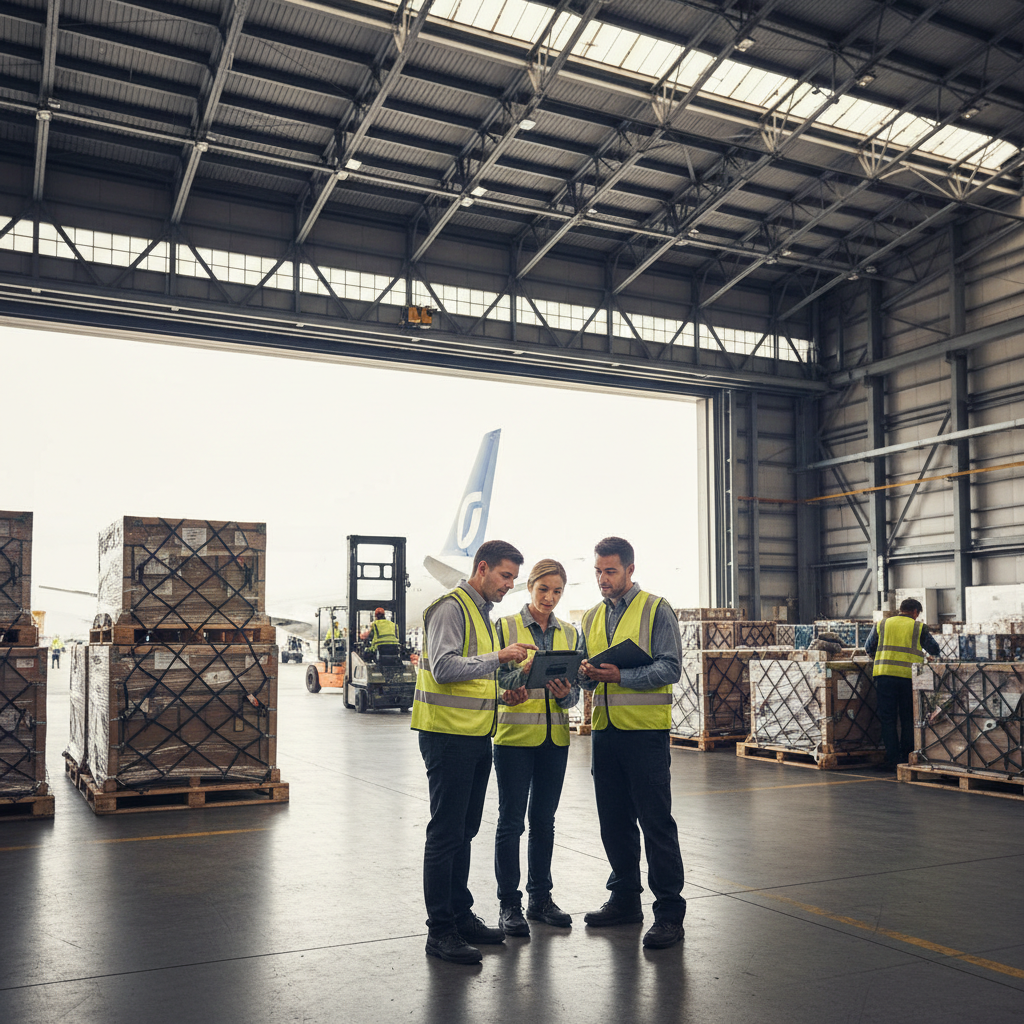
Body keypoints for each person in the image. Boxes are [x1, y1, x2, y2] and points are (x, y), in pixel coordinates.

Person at [411, 539, 536, 965]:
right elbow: (445, 668)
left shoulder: (482, 615)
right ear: (481, 569)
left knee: (464, 832)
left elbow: (475, 677)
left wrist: (507, 689)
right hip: (447, 737)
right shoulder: (451, 608)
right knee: (446, 834)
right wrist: (497, 655)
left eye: (513, 579)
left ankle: (460, 915)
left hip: (475, 735)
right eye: (505, 576)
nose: (508, 585)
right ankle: (440, 931)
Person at [579, 536, 686, 950]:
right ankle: (624, 900)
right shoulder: (591, 617)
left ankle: (669, 915)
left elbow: (671, 667)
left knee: (656, 824)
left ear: (629, 570)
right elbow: (589, 675)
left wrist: (620, 677)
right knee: (614, 822)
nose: (603, 579)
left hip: (645, 733)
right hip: (605, 732)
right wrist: (586, 673)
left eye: (610, 571)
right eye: (598, 572)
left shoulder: (656, 609)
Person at [493, 559, 581, 938]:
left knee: (544, 821)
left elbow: (575, 690)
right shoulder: (505, 628)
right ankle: (509, 904)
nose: (550, 598)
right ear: (529, 588)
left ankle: (540, 899)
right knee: (511, 822)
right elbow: (494, 679)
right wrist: (524, 674)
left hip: (555, 740)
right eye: (543, 589)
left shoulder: (570, 634)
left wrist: (566, 696)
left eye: (557, 591)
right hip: (513, 739)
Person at [865, 598, 940, 770]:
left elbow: (868, 648)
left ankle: (892, 758)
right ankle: (907, 756)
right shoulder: (918, 627)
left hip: (884, 676)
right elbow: (934, 649)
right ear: (915, 612)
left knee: (888, 719)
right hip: (909, 679)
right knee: (908, 718)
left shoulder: (882, 624)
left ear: (901, 609)